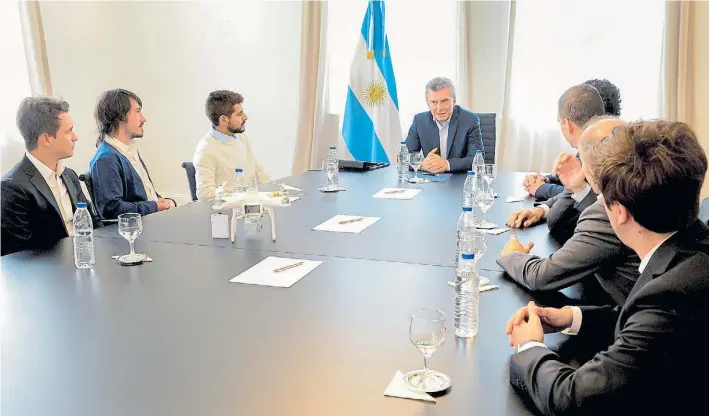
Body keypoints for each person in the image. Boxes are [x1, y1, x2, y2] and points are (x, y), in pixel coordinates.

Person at [506, 120, 709, 415]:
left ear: (619, 212)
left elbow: (572, 399)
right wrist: (570, 318)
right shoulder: (693, 246)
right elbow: (638, 324)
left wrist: (529, 347)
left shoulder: (671, 296)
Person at [498, 116, 640, 306]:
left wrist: (513, 256)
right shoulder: (643, 190)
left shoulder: (607, 211)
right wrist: (578, 188)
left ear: (590, 166)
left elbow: (541, 276)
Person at [1, 97, 101, 256]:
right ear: (46, 139)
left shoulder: (69, 175)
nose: (75, 137)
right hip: (50, 274)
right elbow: (18, 257)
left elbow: (93, 223)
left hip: (86, 260)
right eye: (69, 131)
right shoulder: (12, 188)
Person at [508, 84, 605, 243]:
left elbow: (558, 218)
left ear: (568, 125)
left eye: (559, 122)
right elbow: (575, 191)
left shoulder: (599, 154)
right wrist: (542, 209)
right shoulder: (595, 146)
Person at [526, 78, 622, 200]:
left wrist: (542, 188)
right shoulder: (590, 142)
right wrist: (548, 179)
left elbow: (587, 194)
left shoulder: (607, 150)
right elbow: (576, 177)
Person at [89, 89, 175, 219]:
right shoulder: (106, 159)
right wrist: (155, 206)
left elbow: (146, 197)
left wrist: (164, 203)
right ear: (120, 117)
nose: (144, 118)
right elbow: (112, 209)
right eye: (138, 111)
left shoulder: (128, 151)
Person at [193, 90, 269, 200]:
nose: (245, 117)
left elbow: (258, 170)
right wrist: (238, 192)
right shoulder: (206, 150)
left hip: (250, 205)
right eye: (239, 114)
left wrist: (271, 193)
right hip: (228, 212)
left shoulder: (241, 137)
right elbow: (205, 195)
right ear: (224, 119)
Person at [405, 77, 483, 173]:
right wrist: (421, 165)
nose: (439, 108)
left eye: (444, 101)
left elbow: (477, 159)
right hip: (430, 182)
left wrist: (446, 164)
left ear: (454, 101)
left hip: (459, 182)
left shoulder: (470, 120)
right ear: (428, 104)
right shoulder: (419, 121)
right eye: (434, 102)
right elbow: (405, 157)